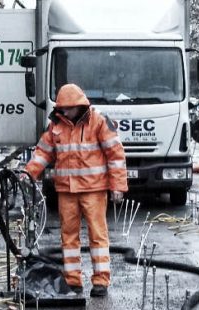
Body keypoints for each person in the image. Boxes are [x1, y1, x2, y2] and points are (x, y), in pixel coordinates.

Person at [24, 83, 127, 298]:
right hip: (67, 190)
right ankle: (73, 281)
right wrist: (28, 174)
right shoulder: (56, 125)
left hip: (93, 189)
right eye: (62, 108)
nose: (64, 112)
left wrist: (117, 186)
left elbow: (115, 155)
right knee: (68, 237)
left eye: (68, 108)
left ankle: (101, 281)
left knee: (97, 236)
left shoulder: (98, 121)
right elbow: (43, 153)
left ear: (79, 106)